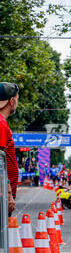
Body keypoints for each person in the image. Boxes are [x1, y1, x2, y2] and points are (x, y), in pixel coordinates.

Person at [0, 82, 20, 215]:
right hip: (2, 195)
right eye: (17, 100)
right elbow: (0, 161)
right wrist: (8, 194)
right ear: (11, 101)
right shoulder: (1, 123)